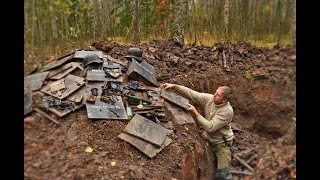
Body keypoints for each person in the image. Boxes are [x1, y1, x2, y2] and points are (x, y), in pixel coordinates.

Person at [162, 83, 234, 180]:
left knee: (223, 175)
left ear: (224, 100)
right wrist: (175, 86)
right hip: (210, 138)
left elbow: (210, 127)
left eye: (218, 95)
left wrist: (196, 113)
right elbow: (193, 94)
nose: (214, 95)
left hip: (222, 144)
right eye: (215, 92)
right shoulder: (210, 99)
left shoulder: (227, 111)